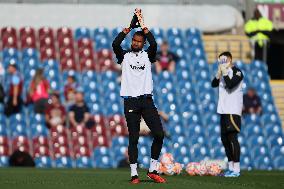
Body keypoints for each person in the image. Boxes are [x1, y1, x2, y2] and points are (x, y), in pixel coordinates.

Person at [112, 8, 166, 184]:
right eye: (134, 41)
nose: (135, 43)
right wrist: (127, 29)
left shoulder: (148, 55)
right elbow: (115, 44)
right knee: (133, 138)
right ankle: (134, 174)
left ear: (143, 43)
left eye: (138, 41)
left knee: (159, 134)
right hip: (131, 101)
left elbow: (155, 45)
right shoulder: (125, 56)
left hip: (146, 100)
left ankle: (152, 170)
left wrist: (144, 28)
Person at [211, 52, 244, 177]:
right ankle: (231, 167)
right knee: (225, 140)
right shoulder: (223, 72)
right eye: (220, 60)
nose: (222, 63)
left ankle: (236, 169)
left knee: (232, 138)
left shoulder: (237, 72)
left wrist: (224, 72)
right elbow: (213, 84)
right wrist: (218, 74)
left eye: (224, 60)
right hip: (223, 110)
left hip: (233, 110)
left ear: (230, 59)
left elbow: (230, 85)